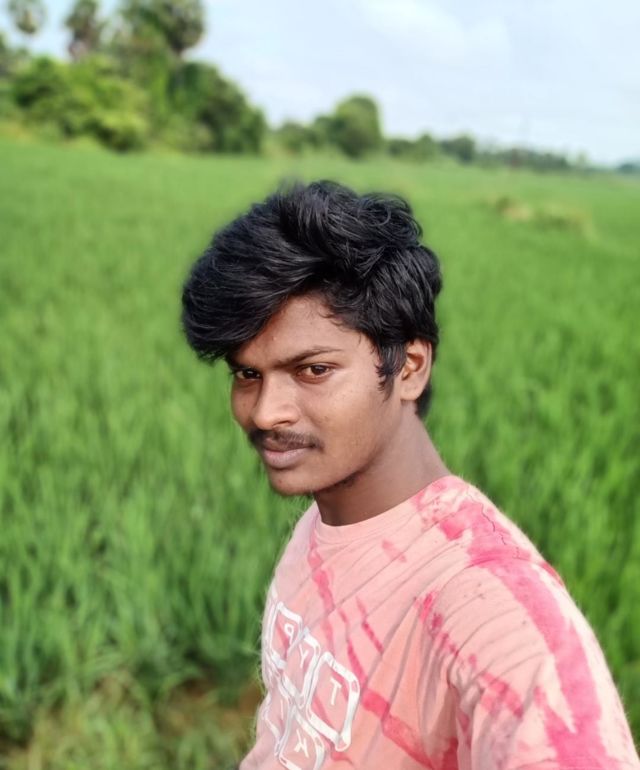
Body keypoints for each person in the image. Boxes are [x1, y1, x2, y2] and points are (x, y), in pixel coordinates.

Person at [181, 181, 639, 770]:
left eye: (313, 370)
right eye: (247, 375)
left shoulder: (492, 608)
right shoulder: (324, 521)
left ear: (410, 368)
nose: (266, 412)